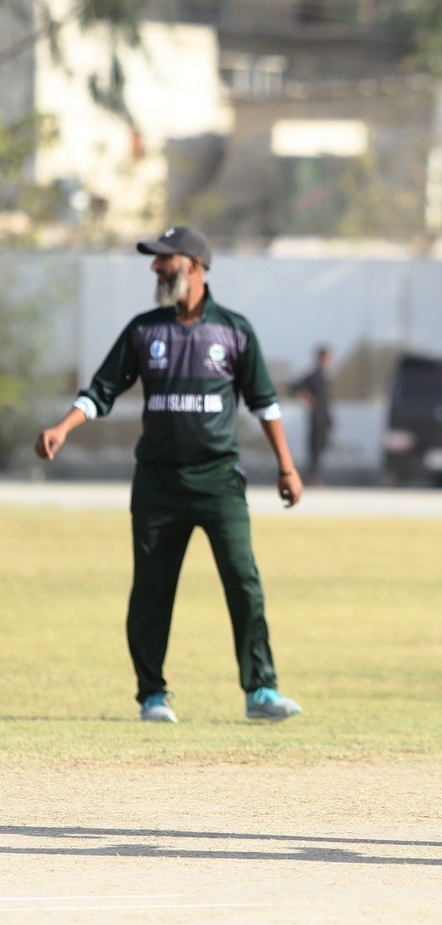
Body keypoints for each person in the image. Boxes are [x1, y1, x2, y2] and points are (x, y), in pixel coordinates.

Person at [35, 225, 304, 725]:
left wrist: (287, 468)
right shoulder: (144, 331)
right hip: (157, 484)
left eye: (165, 259)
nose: (155, 267)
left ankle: (261, 690)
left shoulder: (235, 331)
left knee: (243, 583)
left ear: (194, 266)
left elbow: (265, 404)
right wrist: (62, 428)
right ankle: (152, 695)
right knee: (152, 590)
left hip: (219, 481)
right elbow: (102, 390)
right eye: (155, 259)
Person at [291, 345, 334, 485]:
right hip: (316, 418)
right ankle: (311, 476)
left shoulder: (325, 376)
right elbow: (294, 387)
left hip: (324, 418)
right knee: (314, 448)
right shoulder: (313, 375)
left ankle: (314, 475)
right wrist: (305, 395)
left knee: (321, 447)